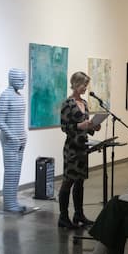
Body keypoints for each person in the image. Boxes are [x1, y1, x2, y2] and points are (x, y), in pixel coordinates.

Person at [57, 71, 101, 230]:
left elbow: (87, 126)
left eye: (86, 85)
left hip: (83, 147)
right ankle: (63, 217)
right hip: (72, 149)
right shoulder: (67, 104)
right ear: (75, 84)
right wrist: (79, 126)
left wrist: (93, 127)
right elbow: (64, 127)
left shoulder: (85, 103)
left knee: (80, 182)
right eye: (83, 84)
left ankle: (79, 214)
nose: (85, 88)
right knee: (68, 181)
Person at [0, 68, 28, 213]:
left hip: (20, 140)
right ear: (12, 79)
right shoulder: (5, 96)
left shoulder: (19, 96)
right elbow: (0, 121)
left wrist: (22, 135)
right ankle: (9, 204)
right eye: (21, 80)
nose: (23, 83)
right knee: (11, 172)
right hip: (10, 140)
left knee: (16, 172)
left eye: (24, 79)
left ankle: (13, 201)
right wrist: (13, 136)